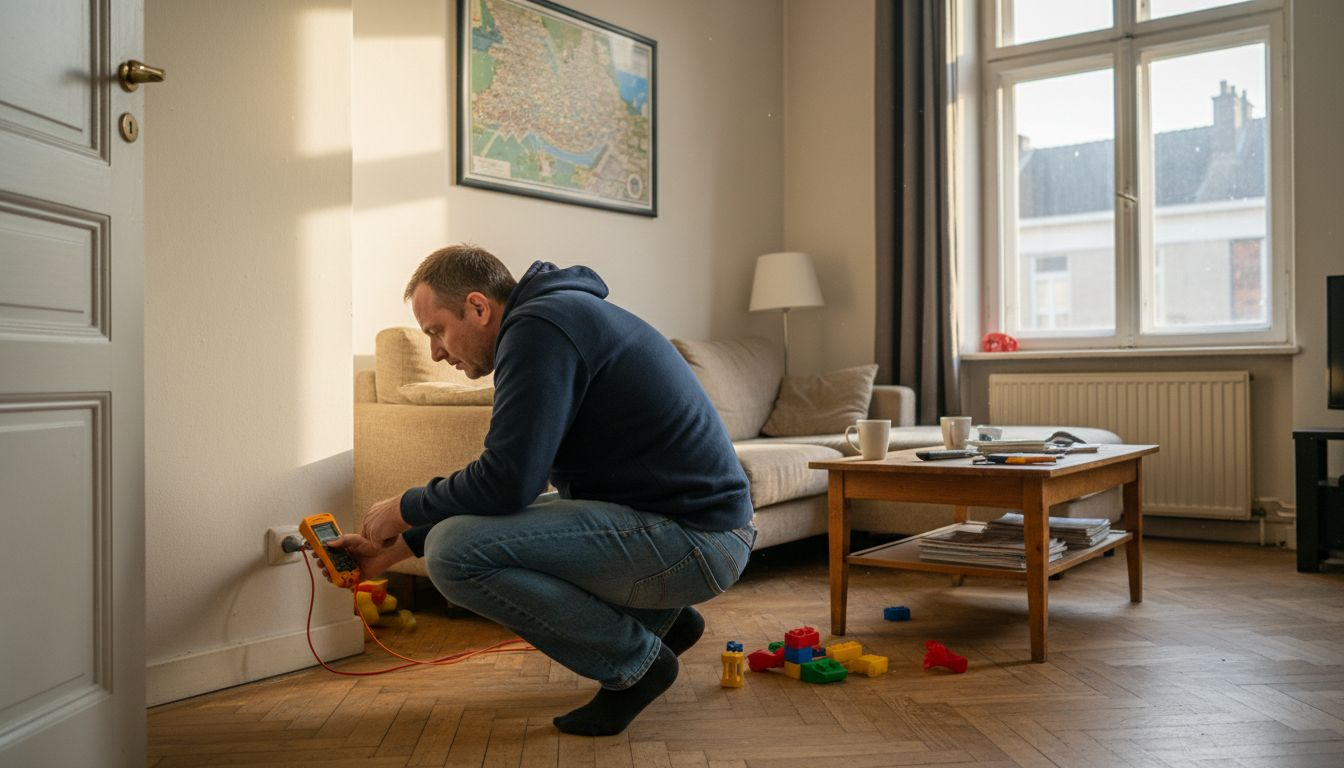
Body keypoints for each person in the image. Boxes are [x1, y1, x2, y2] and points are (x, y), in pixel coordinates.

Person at [328, 244, 756, 736]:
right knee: (457, 535)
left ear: (478, 307)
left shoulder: (539, 330)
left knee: (452, 555)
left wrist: (406, 508)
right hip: (700, 531)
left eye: (437, 331)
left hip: (697, 542)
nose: (436, 352)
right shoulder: (555, 317)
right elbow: (516, 486)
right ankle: (663, 624)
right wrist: (393, 551)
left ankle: (637, 663)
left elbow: (508, 482)